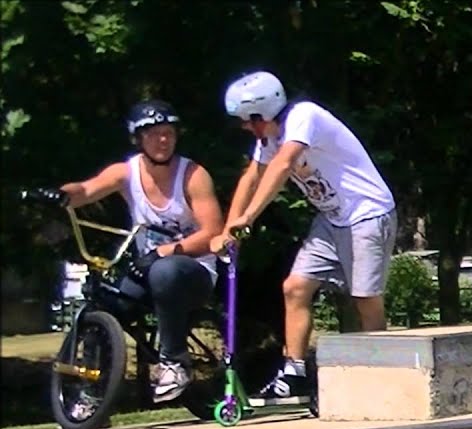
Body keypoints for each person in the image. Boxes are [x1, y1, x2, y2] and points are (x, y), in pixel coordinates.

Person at [213, 70, 397, 401]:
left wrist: (249, 218)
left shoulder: (304, 116)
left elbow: (283, 166)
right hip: (332, 218)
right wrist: (229, 227)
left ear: (263, 113)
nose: (244, 128)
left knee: (364, 298)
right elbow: (252, 176)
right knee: (295, 287)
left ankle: (385, 372)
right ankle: (294, 373)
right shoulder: (269, 138)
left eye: (246, 120)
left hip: (368, 214)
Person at [57, 99, 224, 403]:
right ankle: (90, 392)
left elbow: (213, 234)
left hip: (193, 272)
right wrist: (60, 195)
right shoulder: (127, 172)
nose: (162, 140)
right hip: (148, 269)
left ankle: (174, 362)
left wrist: (166, 251)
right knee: (100, 302)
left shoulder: (193, 175)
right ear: (137, 139)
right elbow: (86, 190)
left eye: (168, 133)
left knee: (165, 270)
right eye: (153, 134)